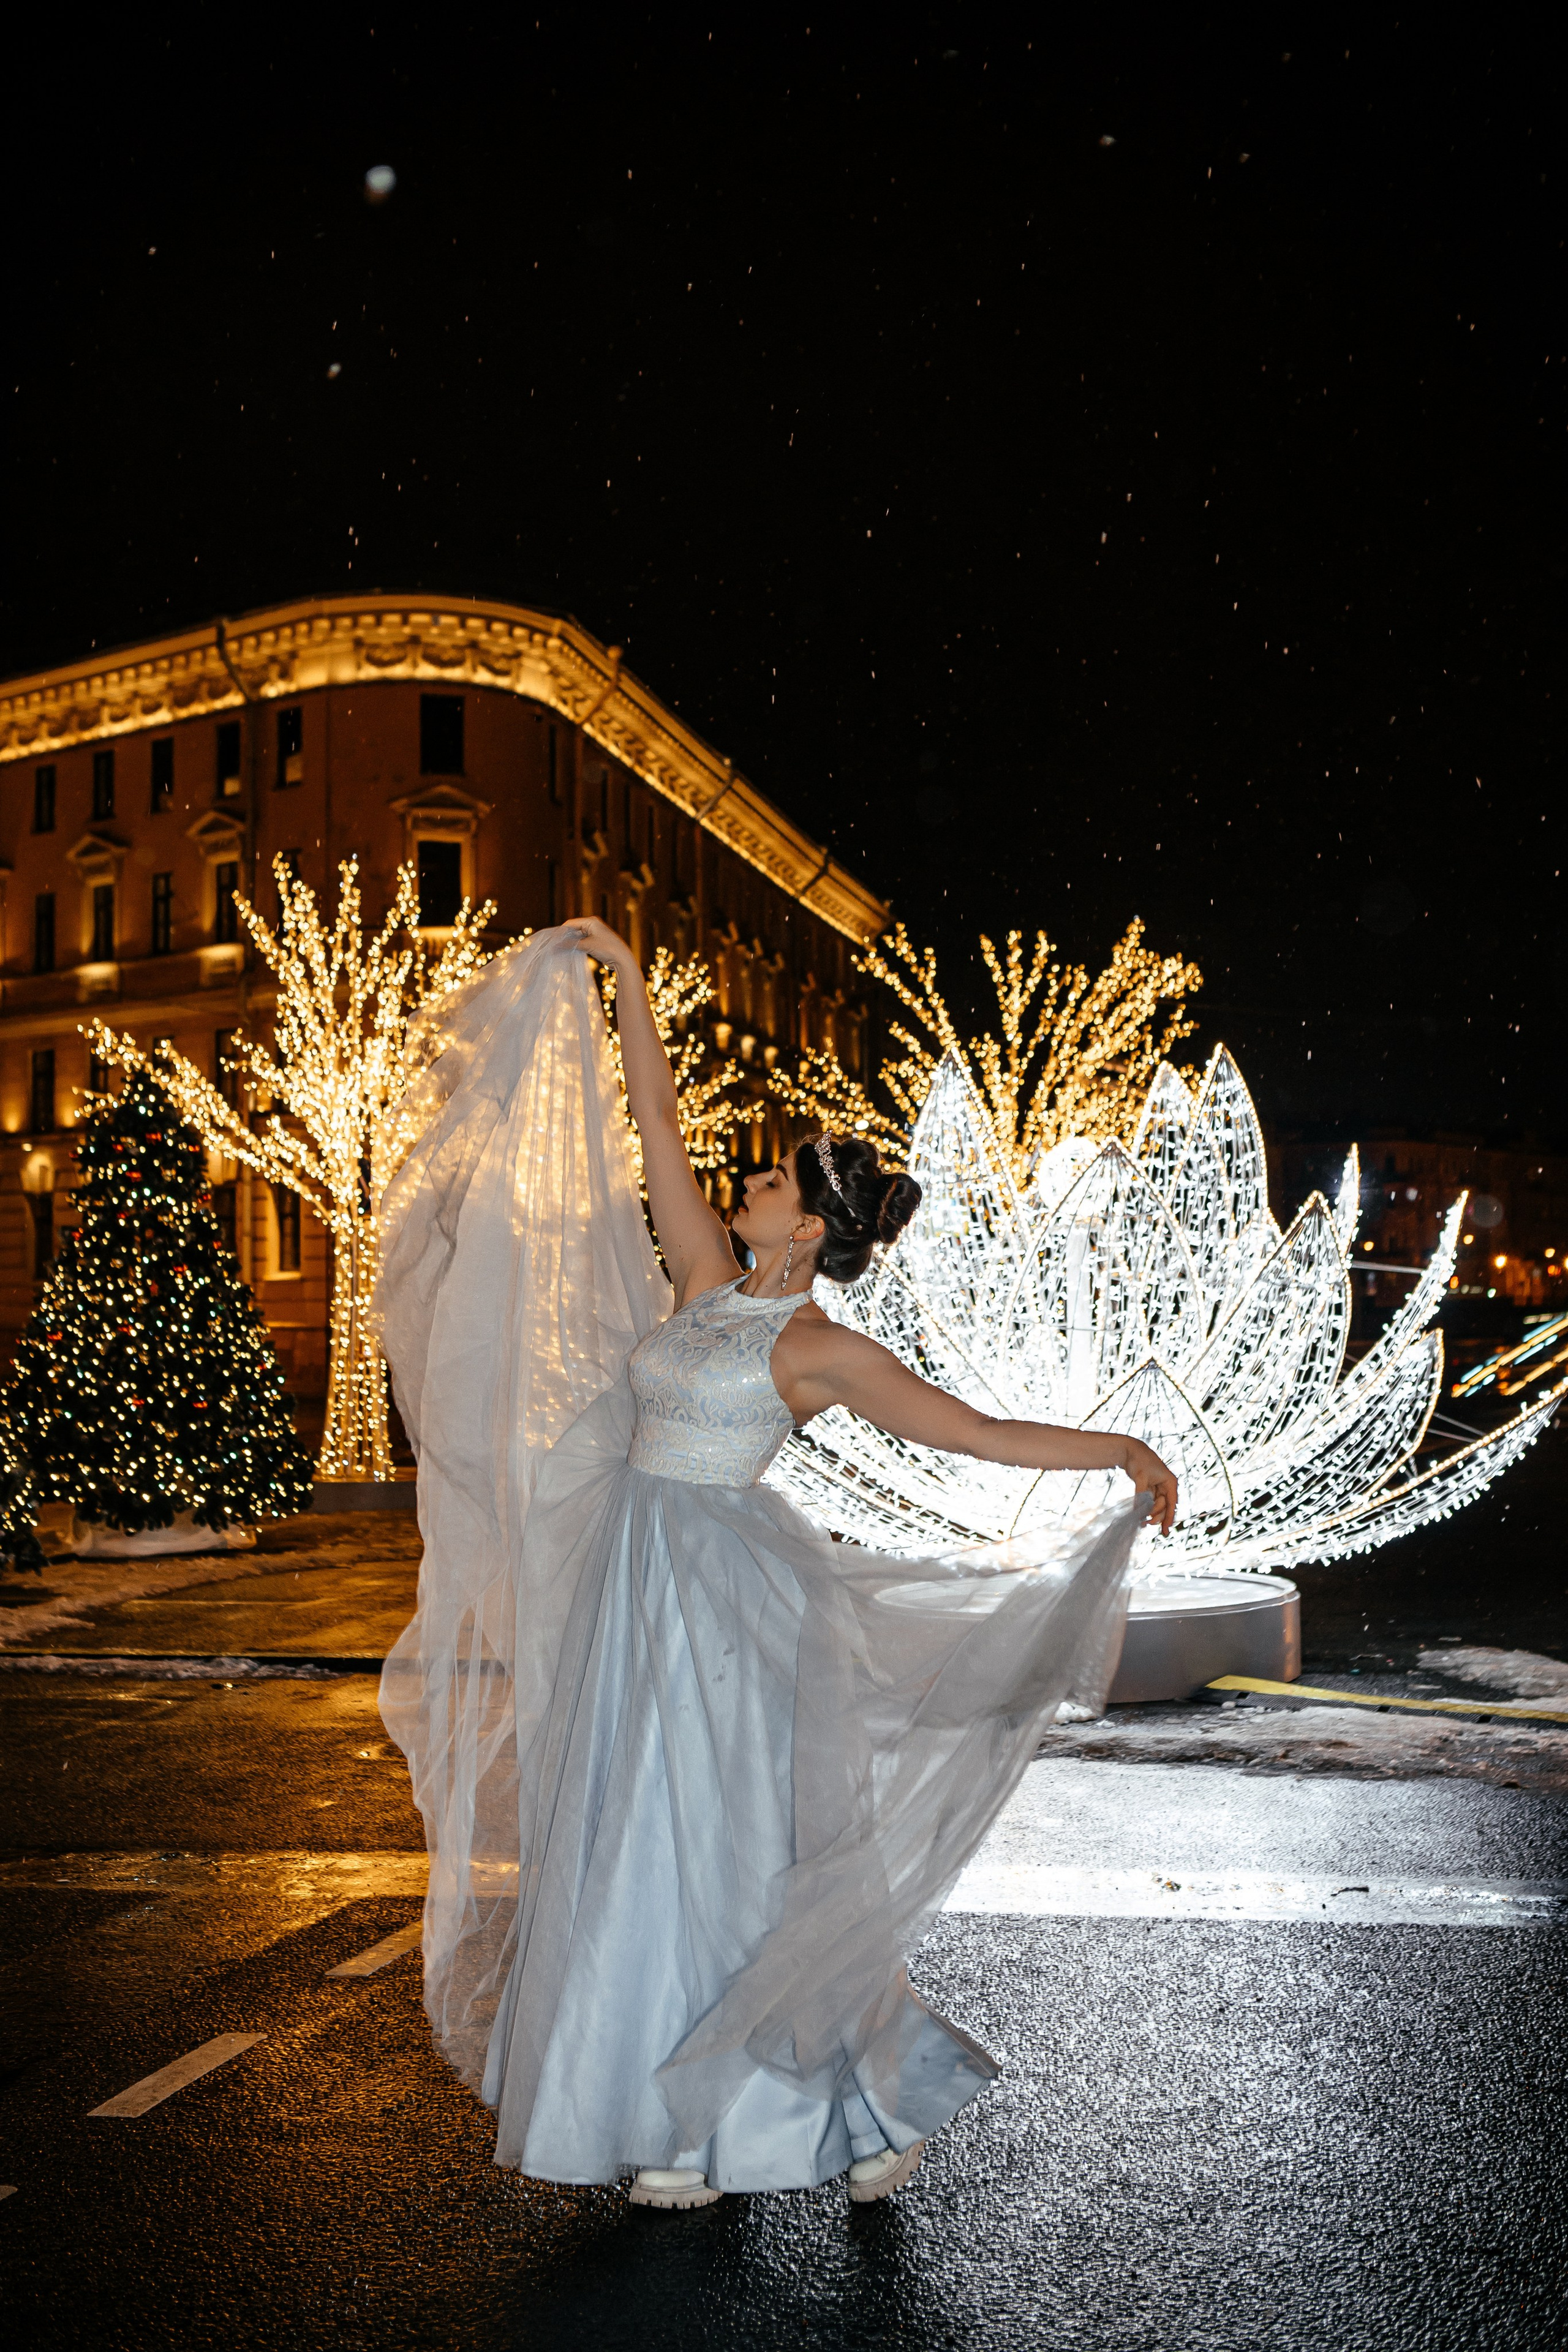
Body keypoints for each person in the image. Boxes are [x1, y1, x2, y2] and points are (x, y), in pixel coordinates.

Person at [375, 918, 1175, 2212]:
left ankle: (818, 2116)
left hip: (726, 1609)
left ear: (807, 1231)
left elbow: (971, 1430)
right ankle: (702, 2116)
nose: (740, 1186)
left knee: (731, 1858)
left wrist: (1118, 1448)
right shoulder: (704, 1280)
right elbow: (653, 1119)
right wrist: (621, 982)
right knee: (634, 1848)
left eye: (768, 1184)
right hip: (636, 1590)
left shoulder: (817, 1349)